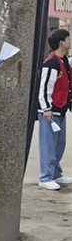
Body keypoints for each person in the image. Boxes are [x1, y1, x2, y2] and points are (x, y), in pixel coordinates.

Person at [37, 29, 72, 191]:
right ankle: (45, 177)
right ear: (61, 43)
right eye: (68, 39)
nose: (70, 41)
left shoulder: (64, 60)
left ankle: (56, 173)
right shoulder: (51, 63)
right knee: (48, 145)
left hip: (61, 109)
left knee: (59, 144)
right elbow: (44, 88)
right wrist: (46, 109)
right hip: (50, 111)